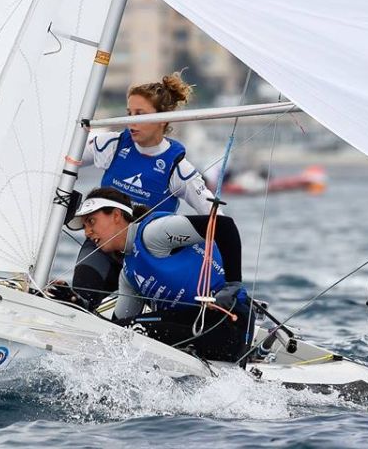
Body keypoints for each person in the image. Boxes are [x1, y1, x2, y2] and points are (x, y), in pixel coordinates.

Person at [65, 72, 218, 310]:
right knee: (81, 297)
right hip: (104, 244)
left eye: (140, 114)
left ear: (162, 119)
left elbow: (215, 217)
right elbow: (63, 161)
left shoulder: (177, 168)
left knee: (134, 318)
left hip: (147, 256)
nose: (131, 122)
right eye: (129, 113)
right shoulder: (112, 144)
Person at [67, 187, 253, 363]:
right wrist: (78, 304)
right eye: (84, 226)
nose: (87, 232)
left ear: (116, 215)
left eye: (91, 222)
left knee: (131, 329)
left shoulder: (153, 233)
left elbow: (225, 226)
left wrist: (233, 284)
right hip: (194, 329)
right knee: (118, 333)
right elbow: (117, 327)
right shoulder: (128, 275)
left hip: (227, 324)